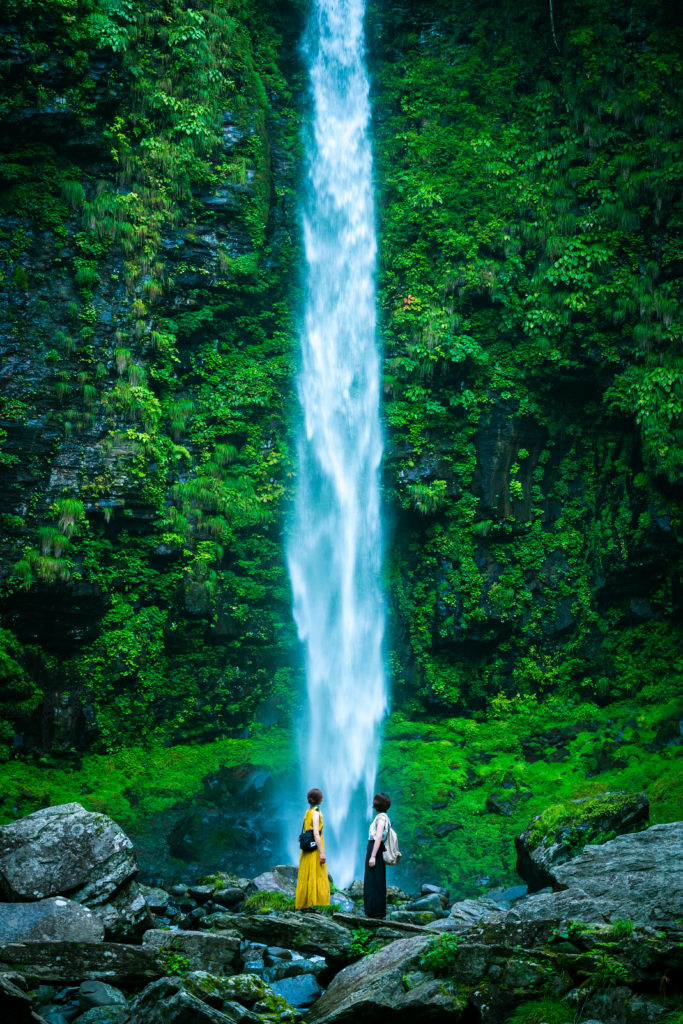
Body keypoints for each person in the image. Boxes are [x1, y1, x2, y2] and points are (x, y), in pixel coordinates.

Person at [295, 787, 330, 911]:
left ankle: (306, 904)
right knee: (313, 873)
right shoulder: (315, 813)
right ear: (319, 799)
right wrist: (321, 853)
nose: (323, 799)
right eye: (321, 797)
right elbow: (316, 834)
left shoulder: (308, 811)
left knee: (307, 874)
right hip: (314, 848)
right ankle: (307, 904)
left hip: (307, 848)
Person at [364, 791, 391, 918]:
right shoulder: (385, 817)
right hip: (378, 848)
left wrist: (373, 856)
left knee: (373, 879)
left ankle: (374, 911)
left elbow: (379, 836)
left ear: (376, 804)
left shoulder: (381, 818)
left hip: (375, 848)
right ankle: (378, 910)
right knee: (377, 879)